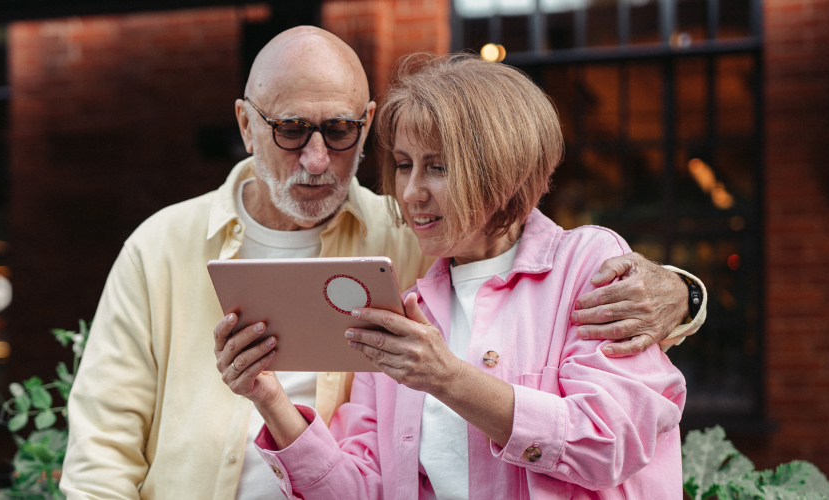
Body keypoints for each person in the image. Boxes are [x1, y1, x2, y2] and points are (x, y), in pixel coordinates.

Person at [62, 27, 705, 500]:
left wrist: (683, 293)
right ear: (246, 123)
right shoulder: (163, 245)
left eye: (339, 131)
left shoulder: (405, 253)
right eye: (290, 129)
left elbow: (614, 431)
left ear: (365, 125)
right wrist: (267, 397)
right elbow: (102, 449)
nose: (316, 159)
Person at [214, 54, 686, 499]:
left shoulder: (588, 266)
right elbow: (364, 490)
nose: (412, 191)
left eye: (437, 166)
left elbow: (612, 443)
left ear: (506, 172)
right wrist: (269, 398)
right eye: (403, 165)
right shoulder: (404, 309)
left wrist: (448, 379)